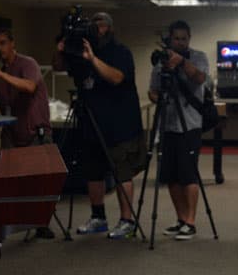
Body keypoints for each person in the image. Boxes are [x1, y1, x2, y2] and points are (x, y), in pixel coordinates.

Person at [56, 12, 145, 239]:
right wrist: (62, 49)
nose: (97, 29)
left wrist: (93, 59)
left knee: (121, 173)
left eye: (101, 25)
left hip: (119, 123)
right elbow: (61, 67)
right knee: (92, 171)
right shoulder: (80, 51)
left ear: (110, 28)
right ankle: (98, 218)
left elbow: (116, 78)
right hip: (90, 120)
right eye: (93, 25)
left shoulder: (120, 52)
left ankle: (127, 221)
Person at [146, 20, 209, 240]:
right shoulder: (161, 61)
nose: (180, 42)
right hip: (167, 123)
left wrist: (181, 62)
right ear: (170, 39)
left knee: (188, 175)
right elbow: (152, 91)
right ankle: (181, 218)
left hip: (189, 124)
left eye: (184, 38)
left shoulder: (198, 57)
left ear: (189, 39)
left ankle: (191, 222)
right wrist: (160, 97)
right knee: (171, 176)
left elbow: (200, 78)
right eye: (176, 38)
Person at [0, 28, 51, 149]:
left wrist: (2, 75)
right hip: (12, 136)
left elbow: (30, 86)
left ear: (12, 43)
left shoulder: (27, 63)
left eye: (3, 43)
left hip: (35, 135)